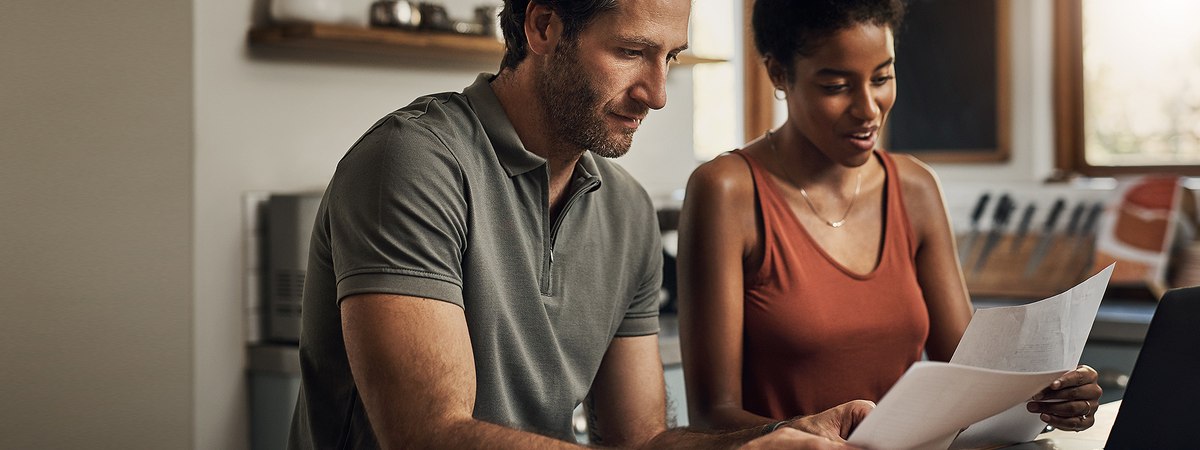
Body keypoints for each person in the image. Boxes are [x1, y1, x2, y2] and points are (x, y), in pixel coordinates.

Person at [286, 0, 874, 448]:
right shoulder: (413, 162)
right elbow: (428, 436)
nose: (658, 93)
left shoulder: (627, 211)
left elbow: (639, 441)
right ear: (543, 27)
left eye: (668, 58)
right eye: (630, 52)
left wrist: (777, 437)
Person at [677, 0, 1103, 437]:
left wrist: (1051, 393)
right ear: (779, 74)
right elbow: (712, 417)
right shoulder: (727, 191)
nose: (868, 108)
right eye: (837, 86)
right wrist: (802, 438)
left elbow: (969, 377)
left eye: (882, 77)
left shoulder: (915, 188)